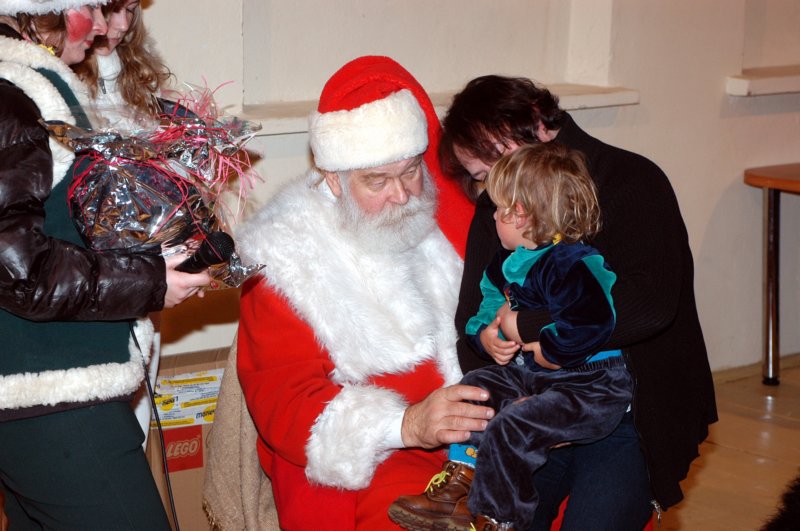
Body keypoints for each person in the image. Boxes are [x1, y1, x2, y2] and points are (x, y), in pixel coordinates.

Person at [432, 75, 718, 530]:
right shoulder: (500, 208)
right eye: (483, 179)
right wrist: (493, 352)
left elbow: (650, 306)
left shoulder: (631, 180)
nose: (495, 192)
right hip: (531, 402)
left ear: (538, 124)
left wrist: (527, 325)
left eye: (495, 164)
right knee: (496, 518)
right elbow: (471, 319)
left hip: (629, 412)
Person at [235, 55, 487, 530]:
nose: (403, 195)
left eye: (410, 171)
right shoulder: (281, 258)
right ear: (334, 178)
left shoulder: (443, 217)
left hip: (471, 444)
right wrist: (407, 425)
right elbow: (286, 403)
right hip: (371, 457)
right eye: (377, 181)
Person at [0, 1, 210, 528]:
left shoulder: (24, 83)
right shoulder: (13, 92)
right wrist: (148, 282)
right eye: (89, 5)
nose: (100, 26)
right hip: (51, 393)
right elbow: (18, 269)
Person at [390, 142, 634, 531]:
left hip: (592, 386)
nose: (492, 217)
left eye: (498, 208)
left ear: (519, 214)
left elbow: (594, 322)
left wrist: (552, 349)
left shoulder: (573, 263)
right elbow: (487, 303)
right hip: (536, 377)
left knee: (514, 424)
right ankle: (458, 488)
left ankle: (498, 517)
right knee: (476, 388)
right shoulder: (505, 262)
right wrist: (484, 334)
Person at [75, 0, 171, 448]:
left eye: (130, 10)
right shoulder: (56, 86)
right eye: (110, 8)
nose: (119, 25)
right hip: (85, 285)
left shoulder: (135, 78)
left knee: (137, 427)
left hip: (143, 275)